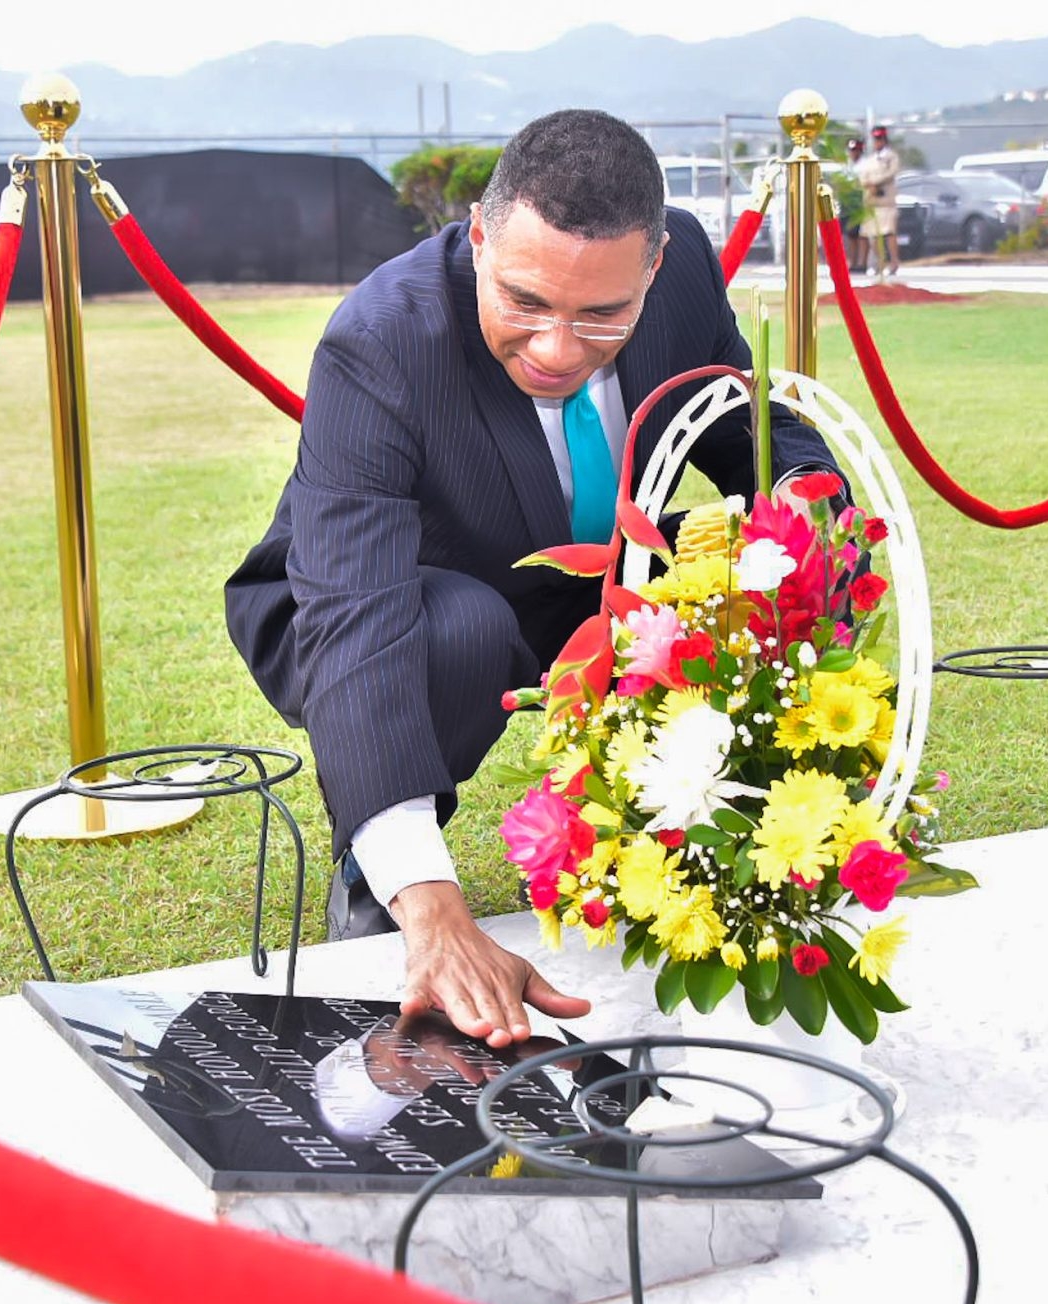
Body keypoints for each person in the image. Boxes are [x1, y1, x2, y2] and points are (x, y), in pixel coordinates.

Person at [225, 109, 837, 1052]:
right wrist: (429, 906)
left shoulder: (681, 282)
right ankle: (380, 867)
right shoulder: (380, 343)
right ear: (478, 236)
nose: (557, 350)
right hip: (386, 600)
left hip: (592, 573)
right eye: (523, 303)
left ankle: (691, 839)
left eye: (601, 314)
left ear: (654, 266)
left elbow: (735, 419)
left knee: (758, 559)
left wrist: (809, 505)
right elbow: (356, 615)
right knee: (462, 629)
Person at [857, 124, 902, 278]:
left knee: (889, 233)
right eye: (876, 139)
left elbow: (891, 173)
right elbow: (863, 176)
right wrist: (868, 184)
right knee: (873, 235)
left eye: (880, 139)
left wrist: (876, 182)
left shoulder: (891, 157)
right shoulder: (870, 160)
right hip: (872, 201)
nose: (878, 142)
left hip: (886, 201)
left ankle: (894, 262)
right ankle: (879, 263)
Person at [840, 136, 872, 275]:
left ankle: (862, 263)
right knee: (850, 234)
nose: (853, 153)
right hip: (848, 202)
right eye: (852, 150)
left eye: (856, 150)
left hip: (861, 201)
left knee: (862, 234)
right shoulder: (847, 166)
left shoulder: (865, 165)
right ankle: (852, 262)